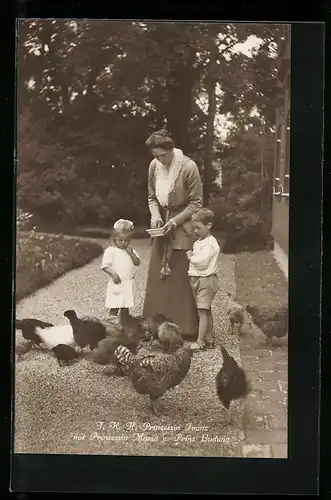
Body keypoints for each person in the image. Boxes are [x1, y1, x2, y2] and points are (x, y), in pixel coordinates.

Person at [143, 129, 203, 338]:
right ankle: (156, 327)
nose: (160, 160)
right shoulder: (154, 166)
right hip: (163, 227)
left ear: (172, 150)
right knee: (159, 278)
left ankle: (183, 329)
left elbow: (197, 203)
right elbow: (151, 197)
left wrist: (174, 221)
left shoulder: (188, 167)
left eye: (163, 155)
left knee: (179, 277)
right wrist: (156, 215)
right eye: (156, 156)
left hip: (184, 224)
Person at [186, 208, 220, 351]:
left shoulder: (211, 243)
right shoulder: (199, 242)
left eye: (198, 228)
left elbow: (202, 261)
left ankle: (200, 342)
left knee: (202, 312)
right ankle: (209, 339)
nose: (195, 231)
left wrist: (190, 256)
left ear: (209, 225)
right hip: (199, 279)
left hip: (205, 280)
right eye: (194, 228)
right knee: (206, 310)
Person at [101, 219, 140, 324]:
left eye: (126, 241)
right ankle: (110, 324)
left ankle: (124, 325)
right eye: (121, 240)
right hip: (117, 282)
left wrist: (132, 254)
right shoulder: (111, 251)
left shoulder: (130, 250)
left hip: (127, 282)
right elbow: (105, 266)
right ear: (114, 238)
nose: (124, 243)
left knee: (125, 306)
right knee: (115, 305)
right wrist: (113, 273)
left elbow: (137, 262)